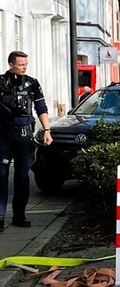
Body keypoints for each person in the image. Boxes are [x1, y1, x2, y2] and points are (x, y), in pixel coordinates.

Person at [0, 51, 53, 229]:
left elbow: (41, 107)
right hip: (4, 135)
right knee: (1, 175)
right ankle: (0, 215)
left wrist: (47, 130)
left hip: (24, 135)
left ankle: (19, 215)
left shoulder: (32, 83)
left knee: (23, 177)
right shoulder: (1, 83)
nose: (24, 67)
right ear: (11, 64)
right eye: (21, 64)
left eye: (26, 64)